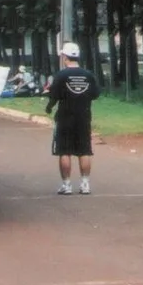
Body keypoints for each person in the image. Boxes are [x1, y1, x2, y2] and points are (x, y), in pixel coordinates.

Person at [45, 42, 99, 195]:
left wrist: (49, 107)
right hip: (84, 117)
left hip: (65, 117)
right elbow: (95, 94)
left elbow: (54, 96)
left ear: (65, 57)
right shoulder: (88, 75)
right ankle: (85, 184)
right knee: (84, 151)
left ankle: (67, 185)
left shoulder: (61, 75)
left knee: (64, 151)